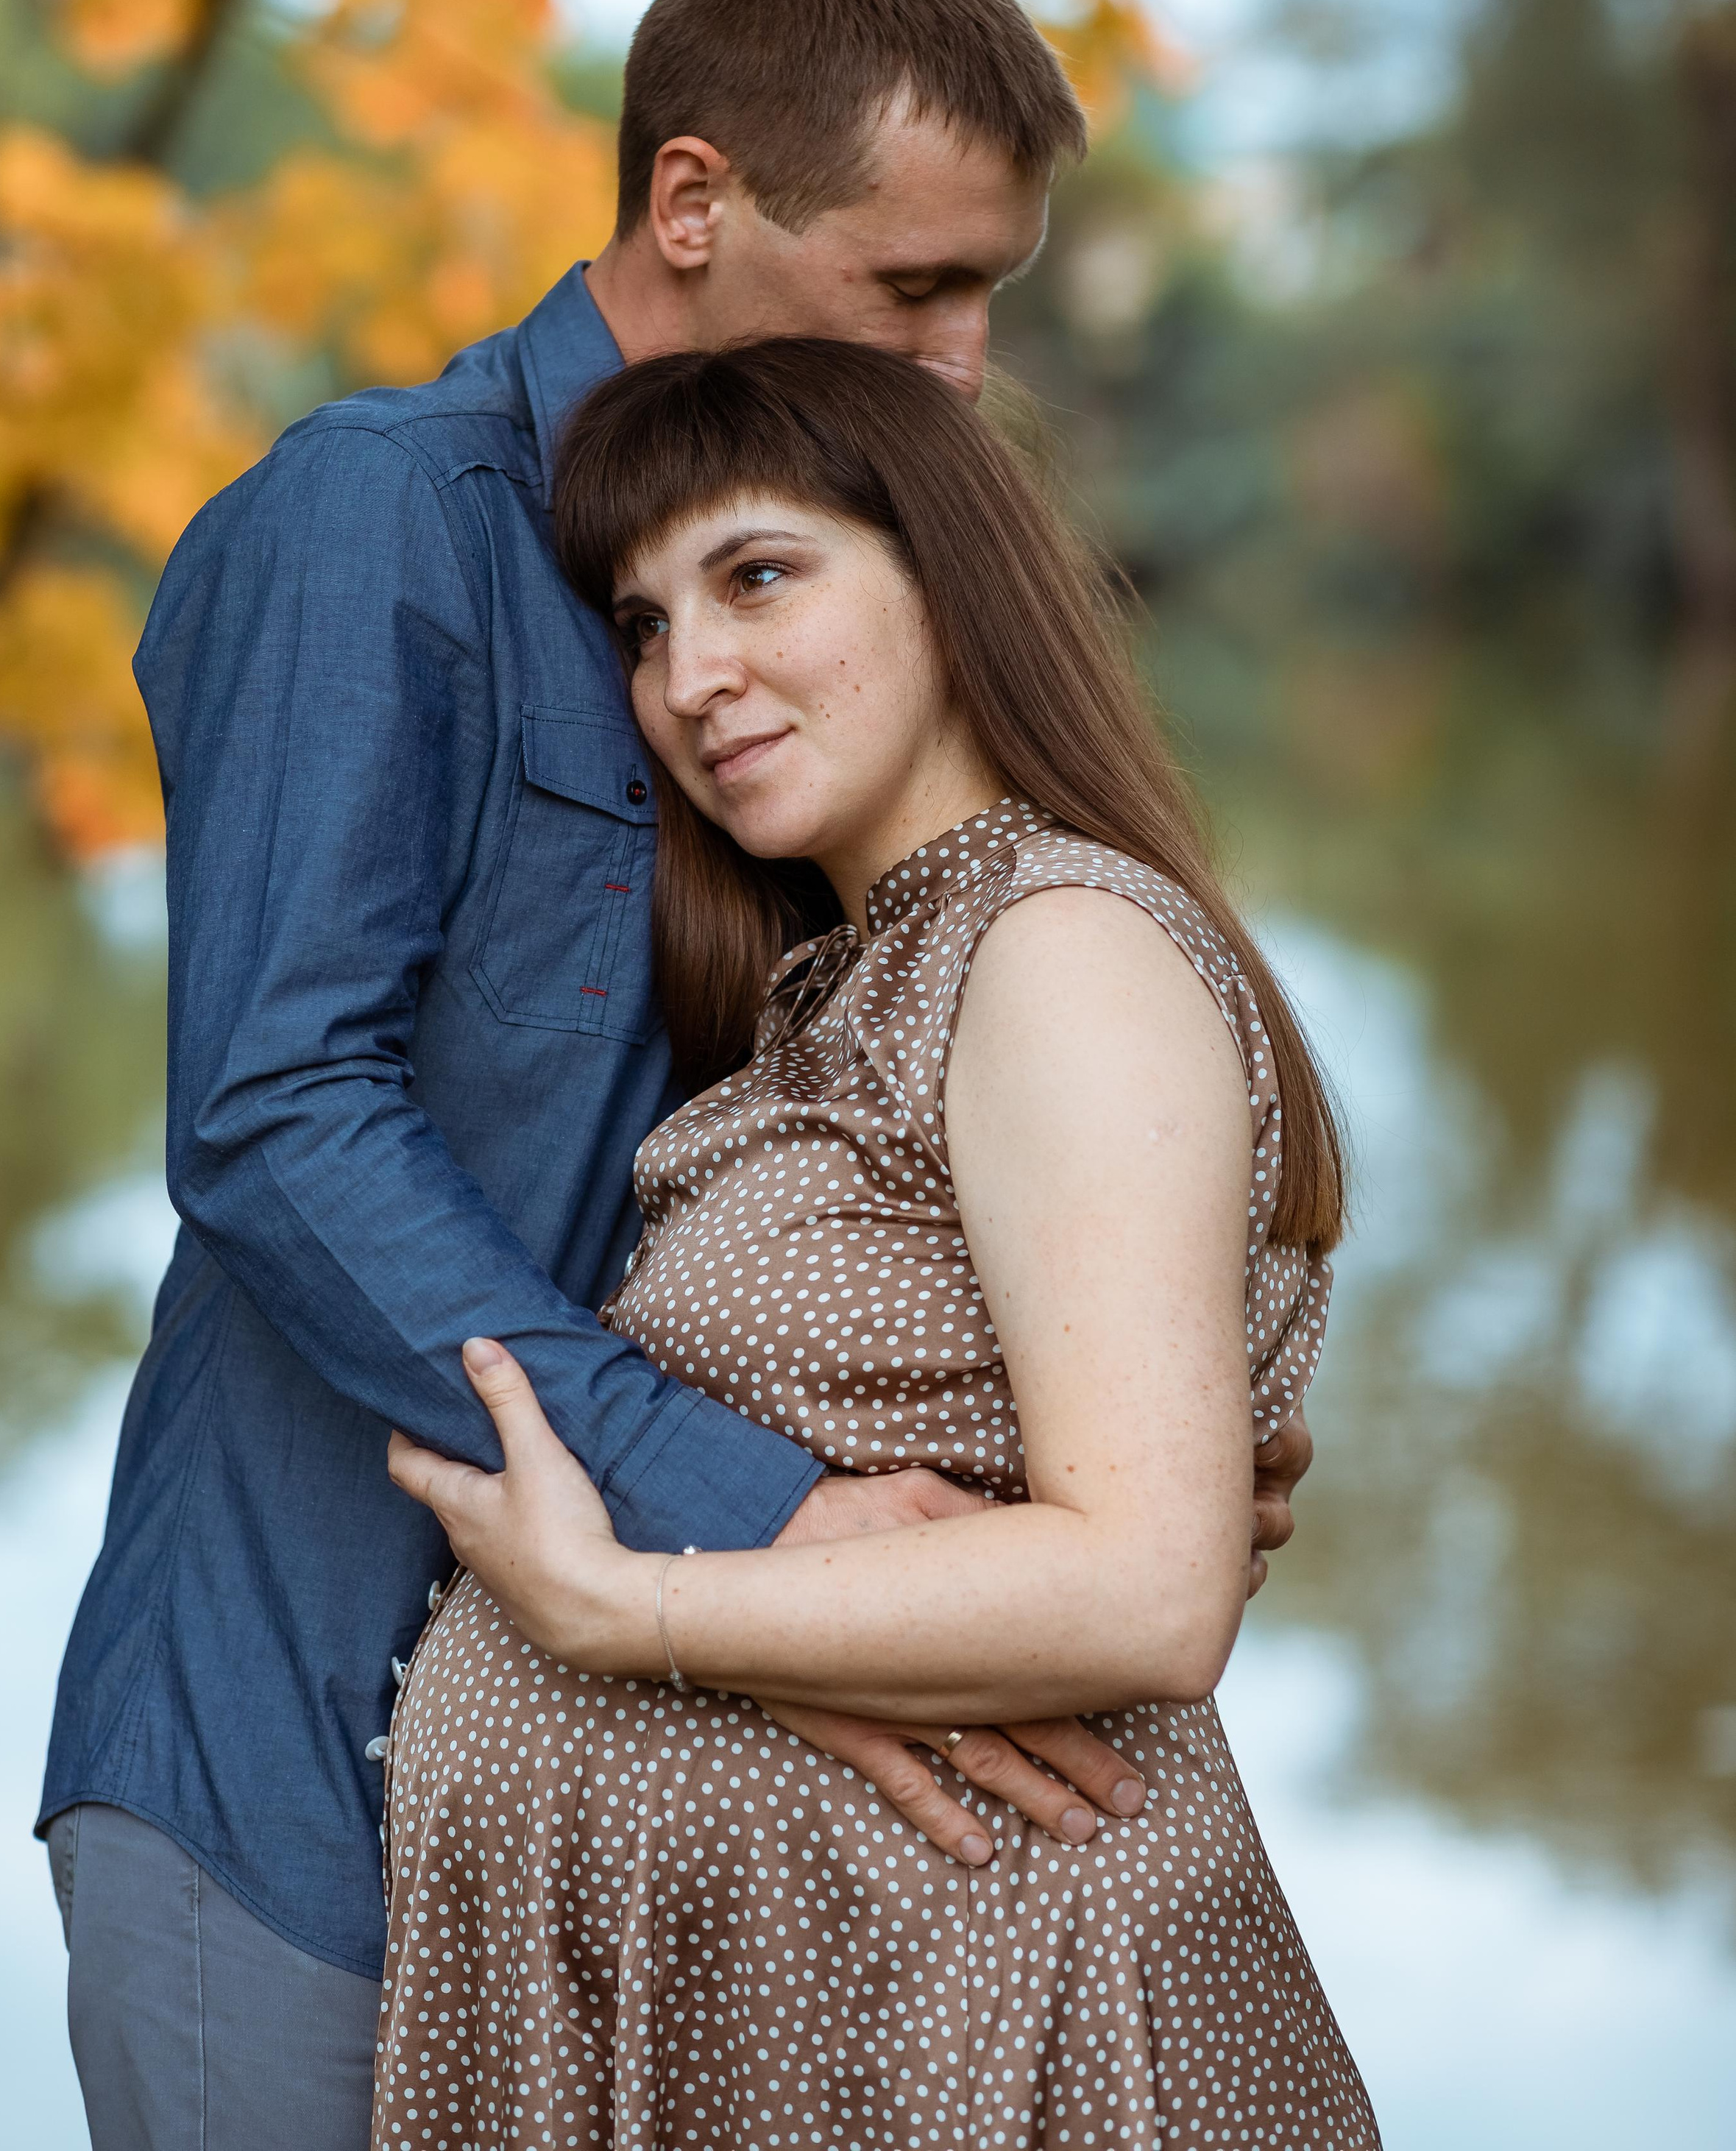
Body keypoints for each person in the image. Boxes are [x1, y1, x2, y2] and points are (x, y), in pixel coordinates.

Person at [38, 0, 1313, 2149]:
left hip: (665, 1877)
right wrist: (759, 1520)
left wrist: (1084, 1464)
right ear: (693, 204)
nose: (960, 364)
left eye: (989, 297)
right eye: (916, 284)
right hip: (300, 1778)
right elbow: (271, 1118)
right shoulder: (381, 525)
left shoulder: (855, 685)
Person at [377, 337, 1378, 2149]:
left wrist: (625, 1609)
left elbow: (1147, 1591)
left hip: (970, 2014)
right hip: (812, 1997)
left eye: (757, 574)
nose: (692, 676)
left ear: (949, 570)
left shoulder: (1054, 949)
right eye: (640, 622)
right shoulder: (852, 974)